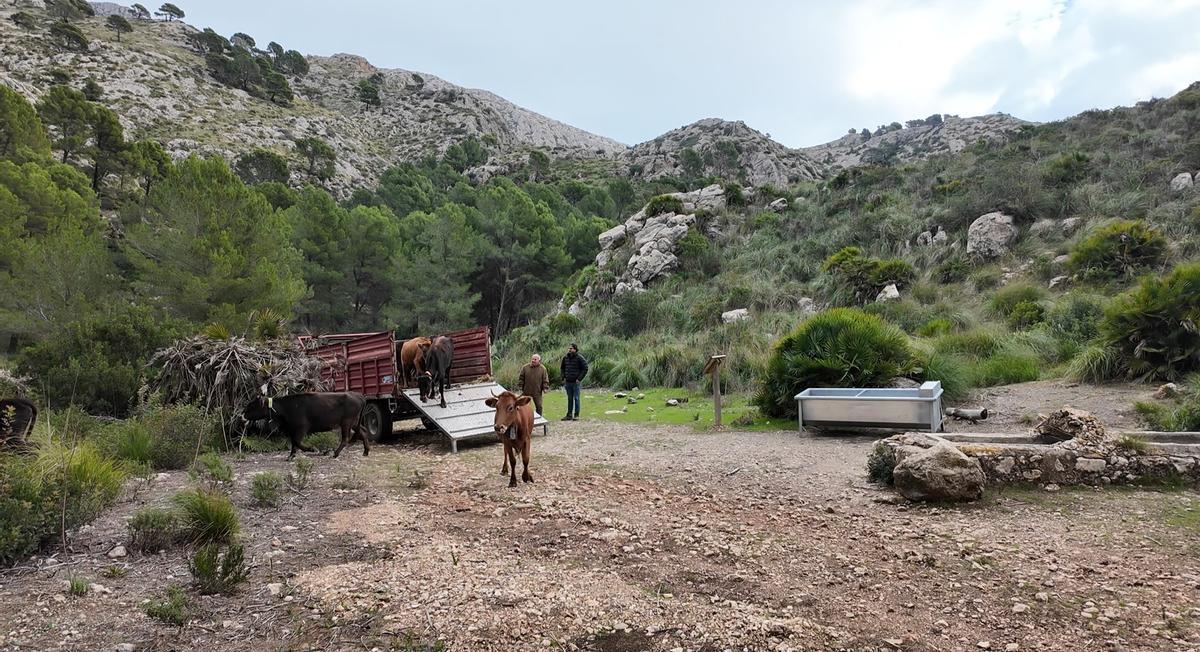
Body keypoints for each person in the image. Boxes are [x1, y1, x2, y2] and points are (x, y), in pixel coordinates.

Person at [560, 343, 588, 421]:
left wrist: (579, 378)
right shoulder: (565, 358)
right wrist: (563, 377)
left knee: (576, 398)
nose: (569, 350)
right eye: (569, 348)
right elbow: (562, 368)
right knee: (569, 398)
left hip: (576, 382)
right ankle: (569, 414)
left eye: (571, 348)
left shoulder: (580, 358)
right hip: (568, 381)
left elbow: (585, 368)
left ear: (575, 349)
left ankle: (576, 415)